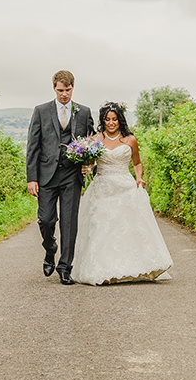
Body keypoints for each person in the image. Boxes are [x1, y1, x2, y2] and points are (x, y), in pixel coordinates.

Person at [72, 102, 173, 285]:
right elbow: (92, 163)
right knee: (102, 228)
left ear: (120, 120)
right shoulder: (96, 139)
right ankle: (104, 269)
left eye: (114, 119)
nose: (111, 123)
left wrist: (139, 178)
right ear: (103, 120)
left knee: (127, 227)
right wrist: (87, 167)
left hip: (124, 186)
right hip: (102, 188)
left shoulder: (130, 140)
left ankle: (132, 267)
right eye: (107, 119)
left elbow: (137, 163)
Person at [26, 70, 95, 285]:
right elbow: (33, 147)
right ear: (54, 88)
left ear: (73, 88)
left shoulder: (83, 112)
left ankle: (65, 267)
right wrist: (31, 178)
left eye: (67, 90)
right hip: (46, 176)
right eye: (60, 90)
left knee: (69, 222)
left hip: (71, 175)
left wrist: (88, 164)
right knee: (46, 220)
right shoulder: (41, 111)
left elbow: (91, 143)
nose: (64, 94)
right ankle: (50, 248)